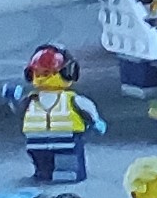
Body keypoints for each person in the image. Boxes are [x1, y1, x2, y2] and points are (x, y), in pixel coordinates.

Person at [18, 43, 105, 183]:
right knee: (42, 163)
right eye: (37, 74)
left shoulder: (71, 99)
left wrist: (96, 121)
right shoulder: (31, 99)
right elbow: (19, 109)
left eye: (46, 74)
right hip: (36, 140)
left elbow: (87, 108)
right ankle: (44, 173)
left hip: (66, 139)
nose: (41, 78)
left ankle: (66, 173)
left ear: (67, 73)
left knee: (68, 164)